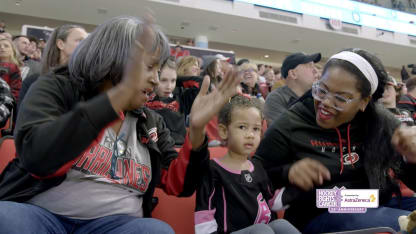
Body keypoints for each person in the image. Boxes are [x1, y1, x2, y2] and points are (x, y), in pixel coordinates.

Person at [0, 16, 241, 233]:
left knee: (156, 232)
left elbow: (179, 186)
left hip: (116, 225)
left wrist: (197, 131)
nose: (156, 80)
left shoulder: (151, 121)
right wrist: (118, 95)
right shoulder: (57, 87)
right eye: (149, 67)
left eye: (159, 70)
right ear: (117, 60)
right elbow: (38, 157)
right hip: (42, 216)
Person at [254, 48, 416, 233]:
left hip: (372, 201)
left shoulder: (380, 122)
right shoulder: (292, 122)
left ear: (364, 101)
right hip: (316, 214)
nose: (326, 103)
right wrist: (288, 172)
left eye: (340, 98)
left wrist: (410, 158)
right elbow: (252, 176)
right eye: (322, 90)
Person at [195, 95, 300, 234]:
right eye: (242, 127)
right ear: (224, 131)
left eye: (256, 129)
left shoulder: (257, 166)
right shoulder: (212, 170)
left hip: (263, 230)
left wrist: (299, 185)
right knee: (262, 230)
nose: (250, 135)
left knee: (281, 224)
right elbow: (204, 213)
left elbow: (272, 201)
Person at [18, 24, 88, 109]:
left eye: (87, 41)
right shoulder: (33, 81)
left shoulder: (88, 83)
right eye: (80, 41)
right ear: (60, 44)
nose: (87, 45)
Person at [145, 56, 197, 146]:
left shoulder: (181, 97)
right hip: (156, 150)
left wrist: (178, 78)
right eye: (163, 80)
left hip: (178, 148)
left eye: (173, 81)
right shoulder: (144, 99)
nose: (169, 86)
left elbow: (200, 82)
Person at [264, 52, 320, 126]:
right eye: (309, 66)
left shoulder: (318, 98)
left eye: (314, 66)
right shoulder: (276, 98)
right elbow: (284, 132)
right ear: (293, 74)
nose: (316, 71)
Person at [0, 38, 22, 103]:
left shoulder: (14, 68)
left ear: (12, 50)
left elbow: (16, 91)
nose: (2, 48)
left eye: (6, 46)